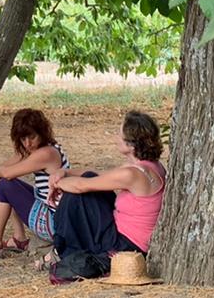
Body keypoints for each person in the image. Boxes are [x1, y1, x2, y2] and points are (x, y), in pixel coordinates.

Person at [45, 111, 165, 275]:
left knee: (75, 196)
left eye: (118, 134)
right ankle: (61, 248)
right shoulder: (152, 166)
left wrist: (57, 184)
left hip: (125, 245)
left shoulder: (132, 175)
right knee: (88, 179)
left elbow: (81, 186)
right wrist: (64, 173)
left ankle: (61, 250)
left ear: (131, 145)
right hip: (126, 235)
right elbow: (100, 175)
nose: (115, 137)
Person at [0, 108, 69, 257]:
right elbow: (6, 168)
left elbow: (6, 174)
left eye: (32, 137)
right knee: (13, 186)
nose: (27, 143)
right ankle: (19, 239)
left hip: (54, 223)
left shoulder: (47, 153)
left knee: (6, 186)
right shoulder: (36, 150)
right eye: (22, 139)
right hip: (54, 216)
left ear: (42, 132)